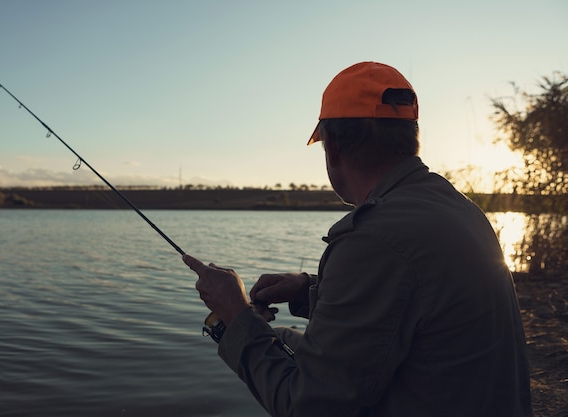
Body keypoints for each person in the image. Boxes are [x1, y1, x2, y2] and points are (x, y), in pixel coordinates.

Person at [183, 62, 533, 416]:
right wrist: (308, 289)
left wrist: (236, 314)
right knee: (286, 337)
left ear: (331, 146)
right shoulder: (456, 207)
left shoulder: (375, 238)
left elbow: (306, 406)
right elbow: (412, 298)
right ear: (412, 138)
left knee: (279, 349)